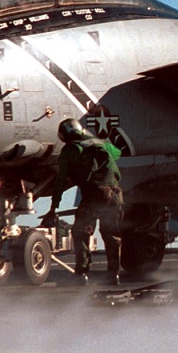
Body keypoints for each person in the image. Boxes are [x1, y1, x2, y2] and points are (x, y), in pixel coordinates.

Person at [44, 118, 123, 285]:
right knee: (111, 235)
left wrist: (53, 207)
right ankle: (113, 275)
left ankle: (81, 274)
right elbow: (118, 152)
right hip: (115, 194)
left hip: (94, 194)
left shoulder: (70, 150)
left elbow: (60, 181)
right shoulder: (99, 142)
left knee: (81, 231)